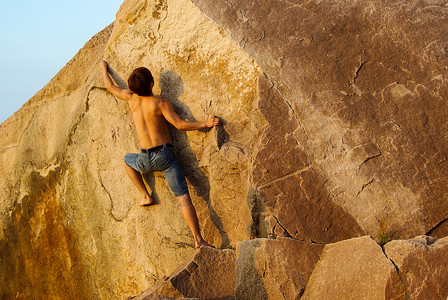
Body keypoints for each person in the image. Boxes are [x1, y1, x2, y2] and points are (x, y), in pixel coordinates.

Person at [100, 61, 220, 248]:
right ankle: (198, 240)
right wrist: (205, 124)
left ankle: (145, 195)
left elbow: (110, 86)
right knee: (183, 198)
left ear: (133, 88)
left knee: (126, 160)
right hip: (164, 158)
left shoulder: (131, 98)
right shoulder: (160, 103)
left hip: (144, 159)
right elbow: (179, 124)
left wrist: (103, 69)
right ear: (151, 83)